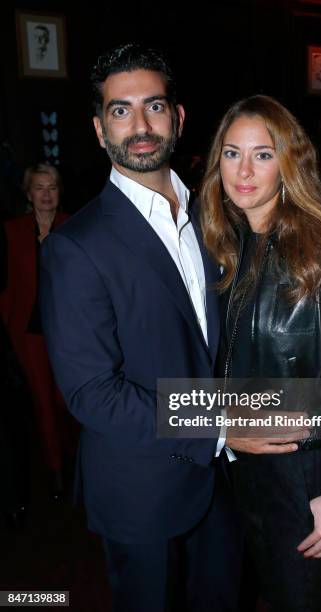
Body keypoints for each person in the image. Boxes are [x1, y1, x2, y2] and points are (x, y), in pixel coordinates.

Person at [39, 43, 261, 612]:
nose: (139, 125)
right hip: (140, 492)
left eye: (154, 106)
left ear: (179, 118)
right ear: (98, 129)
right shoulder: (76, 247)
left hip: (223, 486)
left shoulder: (217, 219)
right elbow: (93, 393)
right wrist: (217, 429)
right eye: (120, 110)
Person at [200, 95, 321, 612]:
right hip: (238, 473)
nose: (245, 171)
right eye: (232, 154)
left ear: (288, 163)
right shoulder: (220, 247)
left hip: (307, 476)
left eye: (263, 154)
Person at [0, 163, 73, 500]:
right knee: (43, 401)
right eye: (39, 188)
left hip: (68, 335)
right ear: (29, 195)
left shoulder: (73, 227)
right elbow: (7, 289)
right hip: (29, 334)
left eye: (52, 187)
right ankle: (58, 473)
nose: (46, 195)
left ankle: (68, 454)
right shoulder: (12, 232)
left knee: (63, 401)